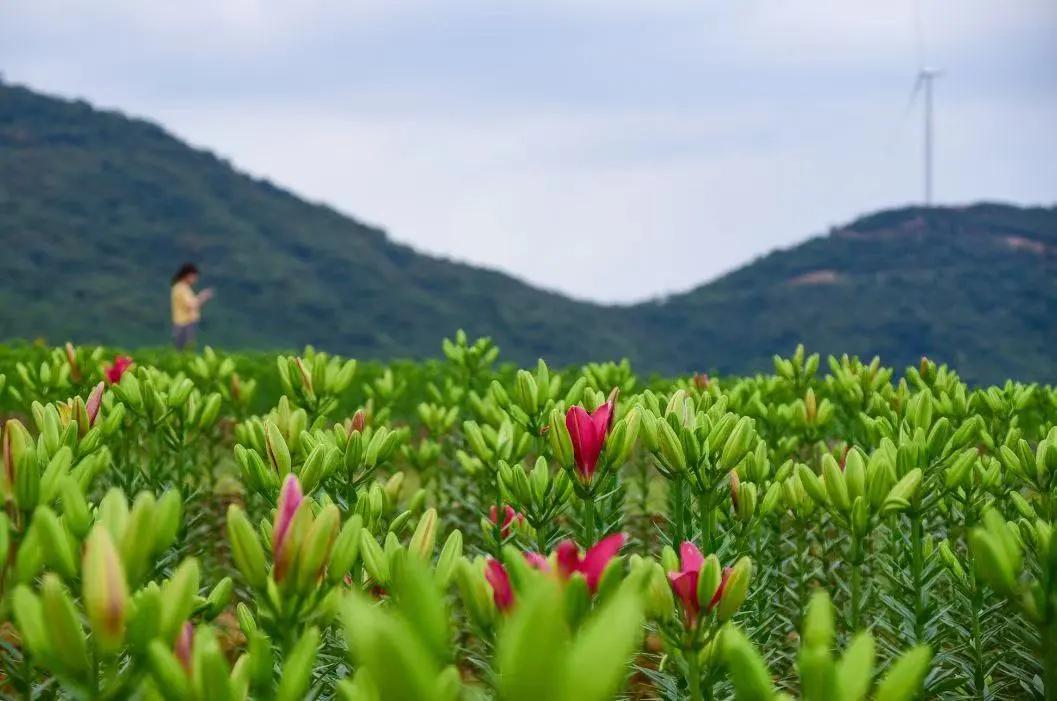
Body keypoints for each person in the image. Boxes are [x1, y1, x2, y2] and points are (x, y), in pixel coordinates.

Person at [170, 263, 213, 350]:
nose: (195, 279)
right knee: (184, 349)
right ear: (187, 275)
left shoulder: (183, 288)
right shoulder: (181, 288)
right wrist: (203, 296)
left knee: (187, 347)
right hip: (184, 323)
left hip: (186, 323)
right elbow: (191, 305)